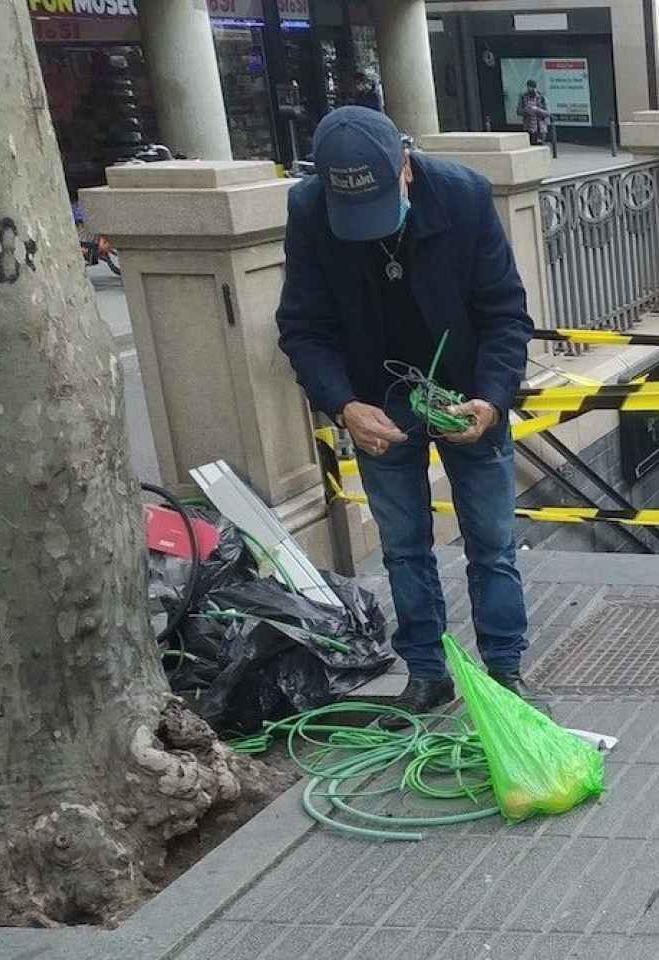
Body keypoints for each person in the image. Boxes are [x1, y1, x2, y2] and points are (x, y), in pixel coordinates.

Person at [276, 107, 535, 719]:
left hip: (465, 393)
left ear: (406, 170)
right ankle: (425, 672)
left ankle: (504, 671)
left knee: (494, 543)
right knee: (402, 548)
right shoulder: (310, 210)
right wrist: (344, 406)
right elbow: (303, 329)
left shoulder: (464, 197)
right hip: (376, 399)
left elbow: (505, 314)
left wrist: (493, 400)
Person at [518, 80, 551, 146]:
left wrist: (537, 109)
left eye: (532, 87)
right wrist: (526, 110)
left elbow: (548, 113)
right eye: (528, 87)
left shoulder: (541, 97)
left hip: (540, 128)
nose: (530, 89)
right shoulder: (523, 97)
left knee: (540, 148)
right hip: (528, 128)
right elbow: (518, 111)